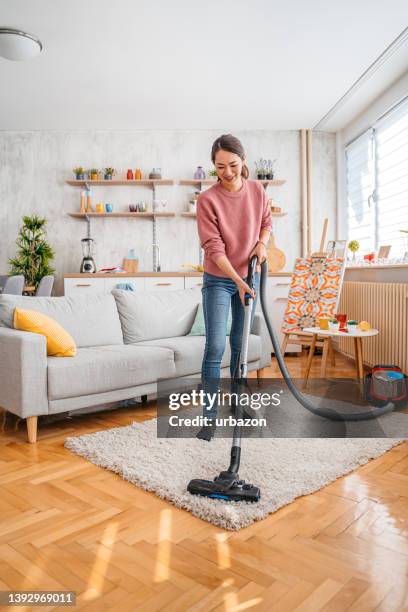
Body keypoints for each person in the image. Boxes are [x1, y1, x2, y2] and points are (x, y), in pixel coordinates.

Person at [196, 134, 272, 440]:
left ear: (243, 161)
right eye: (220, 166)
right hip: (219, 279)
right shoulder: (207, 200)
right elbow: (213, 249)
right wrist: (238, 282)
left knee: (240, 349)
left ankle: (238, 407)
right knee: (215, 347)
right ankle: (209, 419)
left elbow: (266, 223)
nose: (227, 172)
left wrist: (263, 245)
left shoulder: (258, 191)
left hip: (248, 277)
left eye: (233, 165)